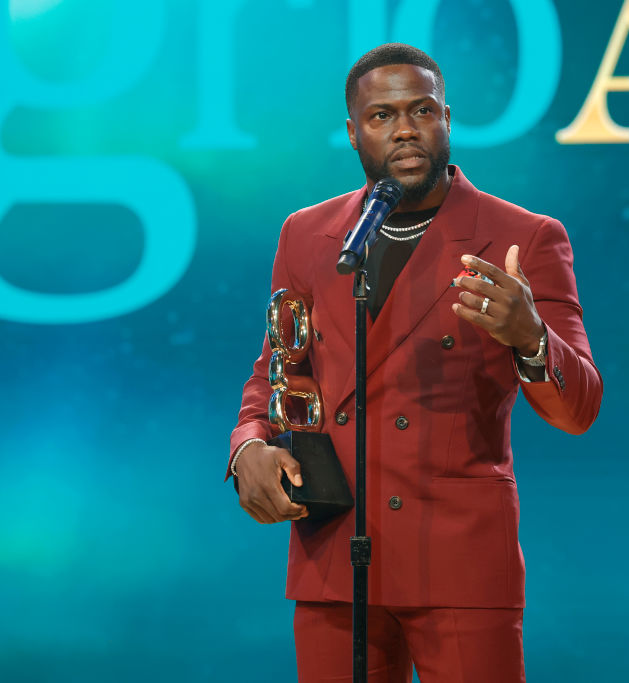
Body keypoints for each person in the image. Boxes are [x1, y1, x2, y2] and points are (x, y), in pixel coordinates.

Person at [227, 43, 602, 683]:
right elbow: (277, 371)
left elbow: (579, 408)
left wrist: (530, 335)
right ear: (352, 132)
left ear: (447, 119)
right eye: (382, 115)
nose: (404, 128)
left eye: (421, 110)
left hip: (458, 559)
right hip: (335, 554)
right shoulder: (307, 235)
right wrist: (248, 446)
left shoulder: (525, 236)